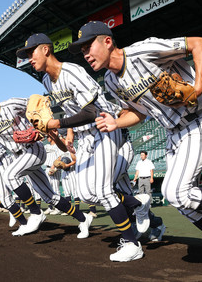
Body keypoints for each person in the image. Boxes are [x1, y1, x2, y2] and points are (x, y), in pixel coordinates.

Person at [70, 20, 202, 273]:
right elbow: (139, 113)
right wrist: (116, 121)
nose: (85, 54)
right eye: (81, 50)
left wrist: (199, 84)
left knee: (176, 193)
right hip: (173, 133)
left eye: (87, 46)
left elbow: (199, 43)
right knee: (183, 204)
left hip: (199, 120)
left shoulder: (143, 51)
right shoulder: (111, 82)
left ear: (107, 41)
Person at [16, 33, 151, 262]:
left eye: (32, 52)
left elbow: (92, 112)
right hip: (85, 136)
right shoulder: (48, 81)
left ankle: (131, 243)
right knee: (86, 193)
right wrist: (66, 132)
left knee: (102, 189)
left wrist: (57, 123)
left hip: (104, 127)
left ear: (46, 50)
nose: (29, 58)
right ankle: (138, 204)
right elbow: (72, 110)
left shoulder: (72, 72)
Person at [0, 86, 93, 238]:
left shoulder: (11, 105)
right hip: (19, 156)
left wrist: (40, 127)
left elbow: (35, 104)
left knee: (10, 175)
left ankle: (35, 213)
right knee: (50, 197)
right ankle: (83, 218)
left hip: (34, 149)